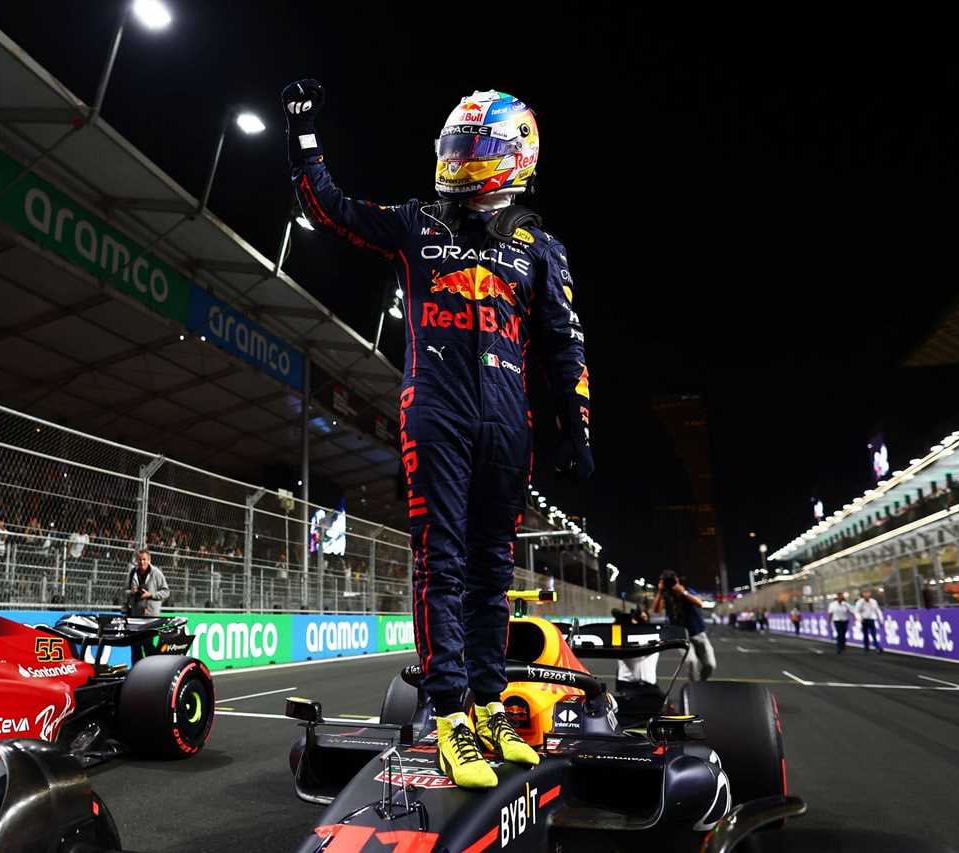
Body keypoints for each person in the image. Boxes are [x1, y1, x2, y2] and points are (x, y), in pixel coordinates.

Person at [284, 81, 592, 789]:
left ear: (516, 154)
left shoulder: (541, 248)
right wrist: (301, 135)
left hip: (508, 427)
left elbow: (565, 343)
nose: (459, 159)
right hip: (437, 415)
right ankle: (449, 714)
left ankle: (488, 708)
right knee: (442, 564)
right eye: (454, 145)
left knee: (491, 576)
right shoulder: (418, 222)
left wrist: (576, 424)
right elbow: (330, 208)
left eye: (474, 147)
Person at [653, 570, 716, 681]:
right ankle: (694, 687)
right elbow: (656, 610)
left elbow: (699, 603)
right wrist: (660, 591)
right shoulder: (666, 596)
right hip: (681, 635)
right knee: (691, 662)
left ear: (677, 579)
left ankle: (701, 683)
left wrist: (683, 593)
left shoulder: (687, 591)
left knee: (710, 664)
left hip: (698, 633)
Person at [126, 549, 170, 663]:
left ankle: (154, 669)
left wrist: (151, 595)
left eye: (144, 559)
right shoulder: (132, 572)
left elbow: (166, 592)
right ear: (136, 560)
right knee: (135, 647)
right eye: (139, 559)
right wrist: (132, 592)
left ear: (149, 560)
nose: (142, 562)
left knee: (147, 645)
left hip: (150, 617)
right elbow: (124, 591)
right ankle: (137, 672)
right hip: (135, 617)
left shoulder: (156, 573)